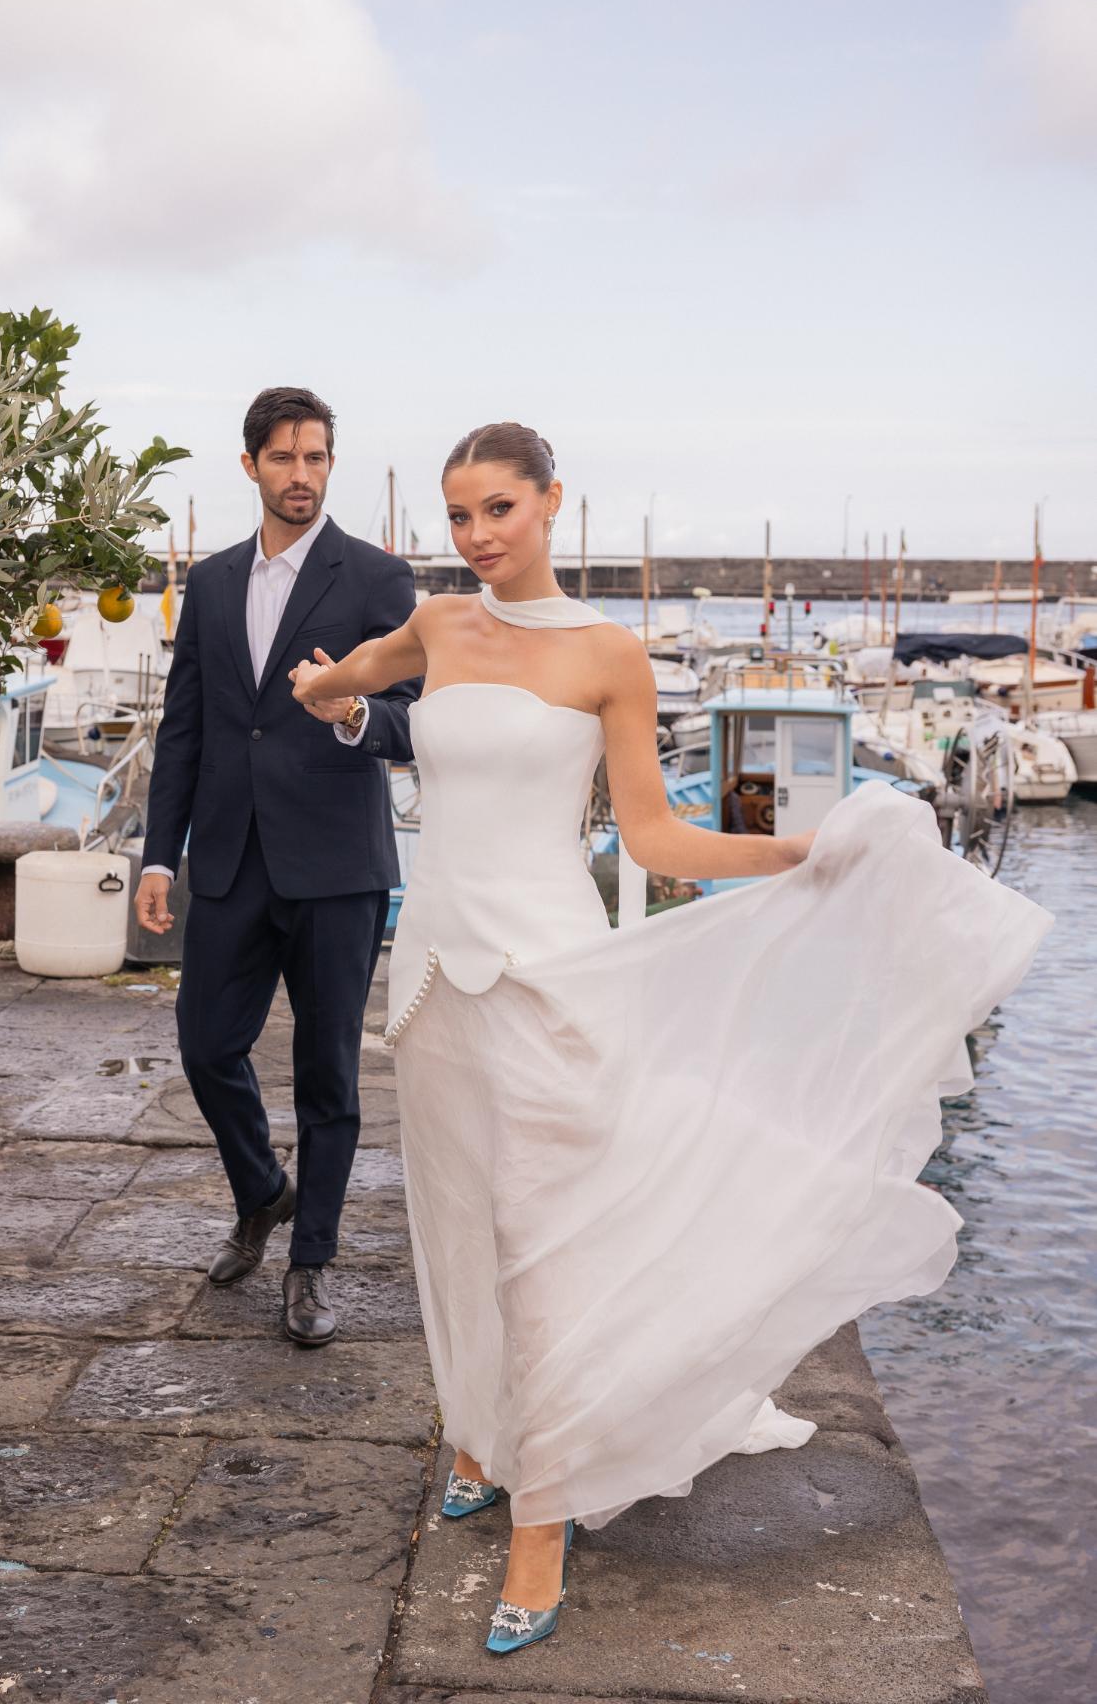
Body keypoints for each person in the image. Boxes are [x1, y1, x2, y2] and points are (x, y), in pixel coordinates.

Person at [290, 421, 1051, 1657]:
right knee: (453, 1214)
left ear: (550, 505)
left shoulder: (608, 654)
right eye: (461, 516)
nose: (479, 536)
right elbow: (360, 673)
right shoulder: (437, 625)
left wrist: (801, 853)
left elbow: (654, 842)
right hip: (428, 967)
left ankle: (545, 1519)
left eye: (499, 509)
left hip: (545, 973)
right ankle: (478, 1432)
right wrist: (321, 688)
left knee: (541, 1242)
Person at [137, 387, 418, 1347]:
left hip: (338, 864)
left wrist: (348, 714)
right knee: (207, 1045)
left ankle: (310, 1268)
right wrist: (156, 855)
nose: (302, 475)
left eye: (317, 457)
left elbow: (411, 717)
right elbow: (185, 730)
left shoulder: (377, 579)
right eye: (285, 458)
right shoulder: (212, 584)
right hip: (227, 858)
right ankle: (262, 1192)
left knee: (328, 1076)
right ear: (250, 464)